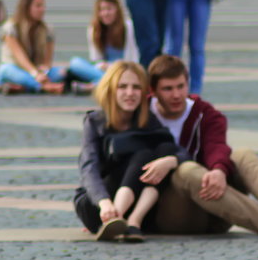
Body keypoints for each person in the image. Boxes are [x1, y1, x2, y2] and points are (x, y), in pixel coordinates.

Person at [147, 54, 258, 240]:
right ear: (153, 91)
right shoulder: (143, 114)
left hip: (216, 210)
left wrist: (219, 171)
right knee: (187, 170)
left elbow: (216, 145)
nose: (176, 95)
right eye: (167, 89)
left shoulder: (204, 113)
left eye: (180, 86)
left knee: (242, 155)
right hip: (172, 214)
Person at [74, 61, 180, 242]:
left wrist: (170, 161)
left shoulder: (148, 120)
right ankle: (116, 220)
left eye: (136, 87)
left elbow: (179, 152)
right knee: (145, 154)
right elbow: (88, 168)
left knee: (161, 154)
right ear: (110, 90)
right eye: (122, 87)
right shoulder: (95, 121)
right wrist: (104, 203)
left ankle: (131, 222)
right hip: (97, 206)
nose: (130, 93)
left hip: (136, 204)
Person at [0, 0, 90, 94]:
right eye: (38, 6)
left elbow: (47, 61)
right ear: (27, 8)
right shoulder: (11, 28)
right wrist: (35, 74)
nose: (42, 9)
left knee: (61, 72)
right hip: (18, 70)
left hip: (38, 72)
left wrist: (44, 71)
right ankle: (43, 87)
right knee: (5, 70)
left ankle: (23, 87)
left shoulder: (47, 30)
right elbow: (20, 57)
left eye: (43, 6)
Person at [82, 0, 139, 84]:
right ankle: (106, 83)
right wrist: (102, 66)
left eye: (109, 9)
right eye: (102, 10)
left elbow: (132, 59)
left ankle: (97, 85)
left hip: (123, 70)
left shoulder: (127, 26)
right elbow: (96, 60)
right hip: (103, 71)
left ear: (117, 9)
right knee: (75, 63)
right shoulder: (93, 29)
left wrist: (112, 67)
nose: (106, 13)